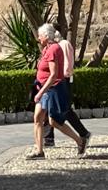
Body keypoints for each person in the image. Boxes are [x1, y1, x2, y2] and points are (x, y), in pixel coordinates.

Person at [28, 23, 85, 159]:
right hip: (44, 88)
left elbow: (53, 75)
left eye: (40, 36)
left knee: (54, 121)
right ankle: (39, 151)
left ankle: (80, 141)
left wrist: (41, 92)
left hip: (51, 90)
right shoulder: (47, 49)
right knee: (37, 118)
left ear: (46, 36)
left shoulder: (53, 49)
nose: (38, 38)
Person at [54, 28, 91, 151]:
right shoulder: (57, 46)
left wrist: (63, 77)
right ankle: (48, 138)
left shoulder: (64, 44)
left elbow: (67, 64)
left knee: (64, 110)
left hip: (63, 79)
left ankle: (83, 134)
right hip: (61, 80)